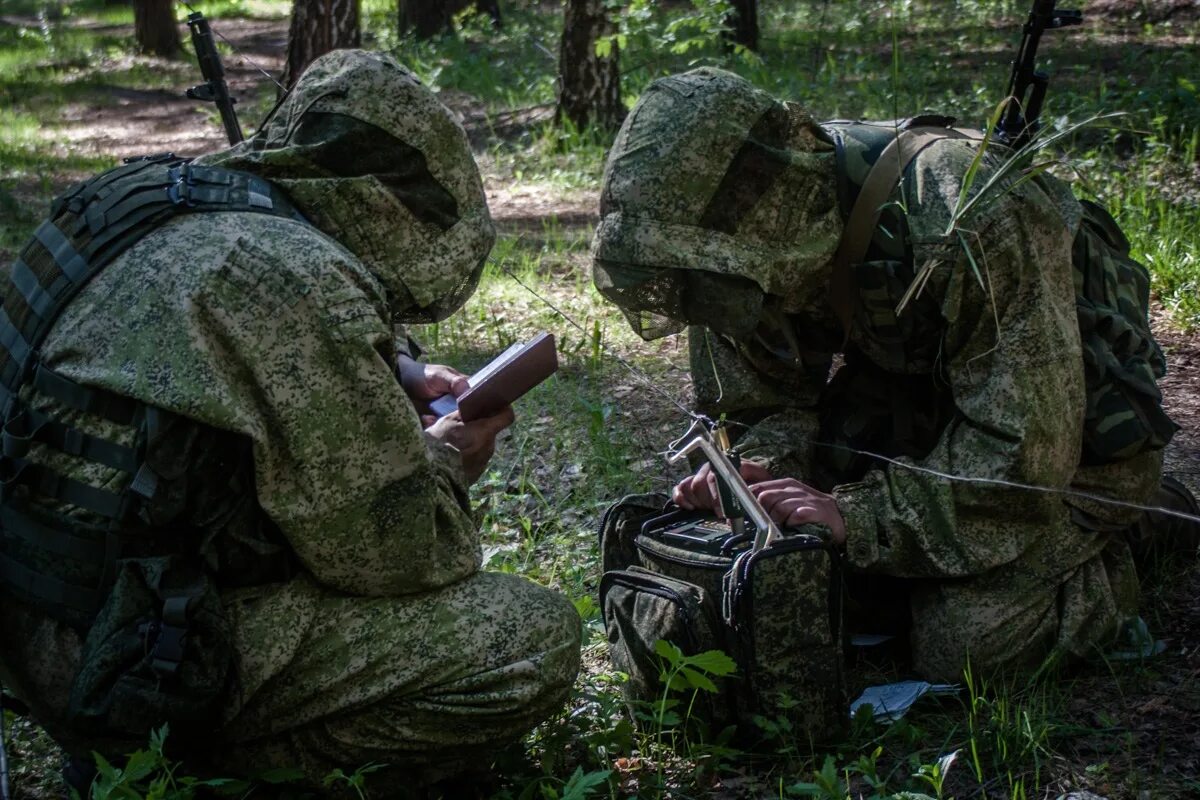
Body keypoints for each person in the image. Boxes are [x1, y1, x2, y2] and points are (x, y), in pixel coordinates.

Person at [0, 50, 580, 794]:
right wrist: (445, 458)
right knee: (527, 637)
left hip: (35, 624)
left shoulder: (139, 198)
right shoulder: (294, 279)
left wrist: (388, 371)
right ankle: (208, 770)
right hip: (130, 660)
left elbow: (176, 367)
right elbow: (397, 556)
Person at [592, 67, 1194, 682]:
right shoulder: (735, 253)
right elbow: (763, 404)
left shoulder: (966, 215)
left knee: (966, 642)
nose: (700, 293)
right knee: (789, 583)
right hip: (929, 418)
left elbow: (1026, 454)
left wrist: (860, 517)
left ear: (757, 199)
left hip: (1069, 448)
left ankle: (1139, 524)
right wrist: (757, 474)